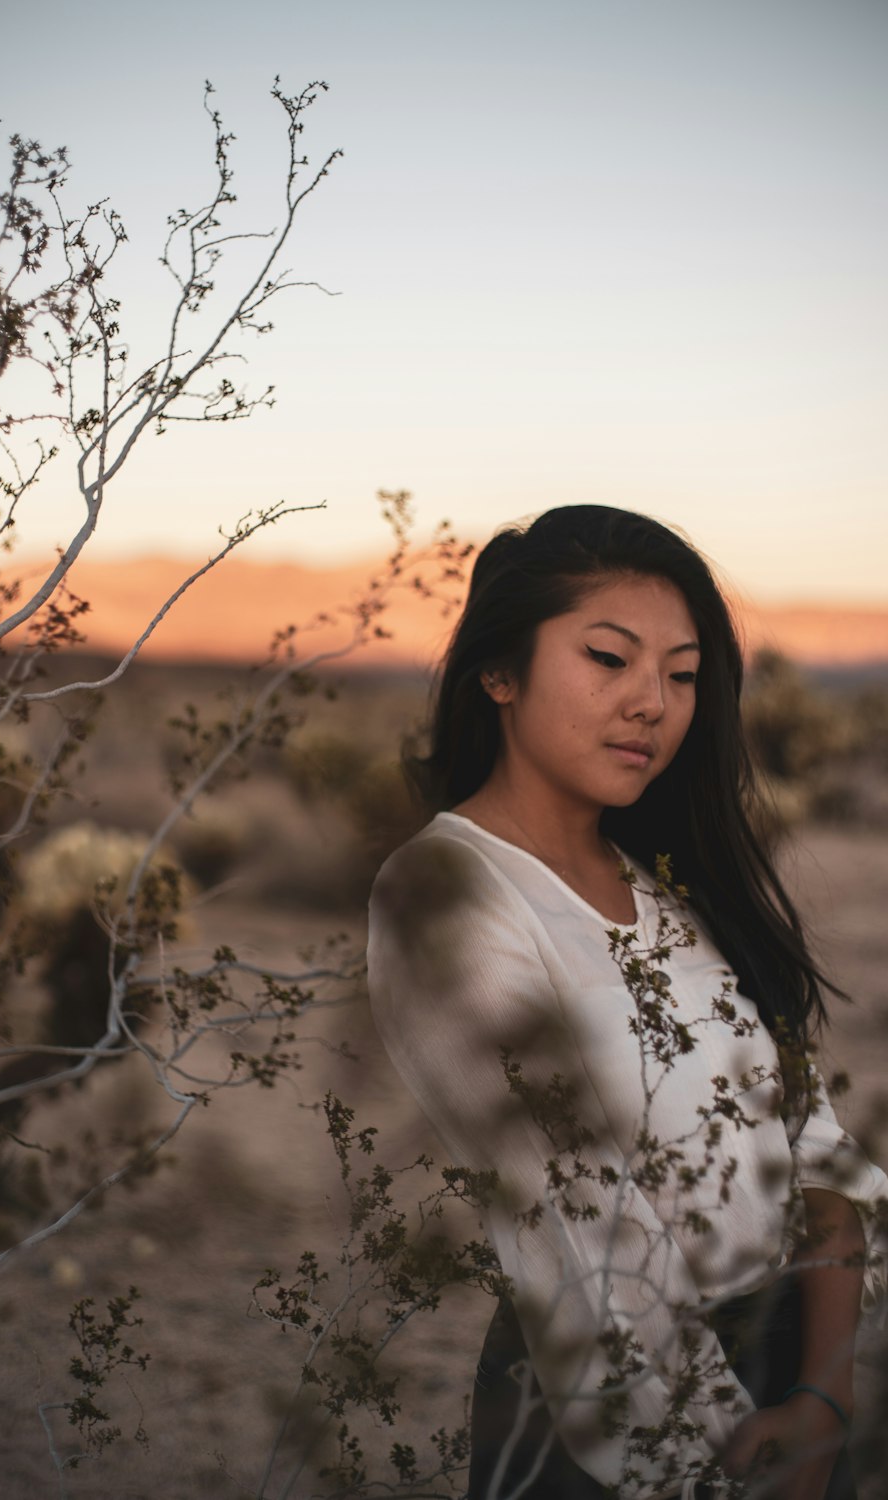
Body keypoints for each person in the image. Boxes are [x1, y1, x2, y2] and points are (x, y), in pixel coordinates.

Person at [366, 506, 887, 1500]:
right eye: (608, 658)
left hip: (794, 1385)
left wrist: (822, 1406)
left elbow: (819, 1162)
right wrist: (731, 1462)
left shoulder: (678, 886)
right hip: (615, 1411)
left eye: (682, 675)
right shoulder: (449, 892)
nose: (651, 702)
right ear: (500, 672)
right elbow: (584, 1237)